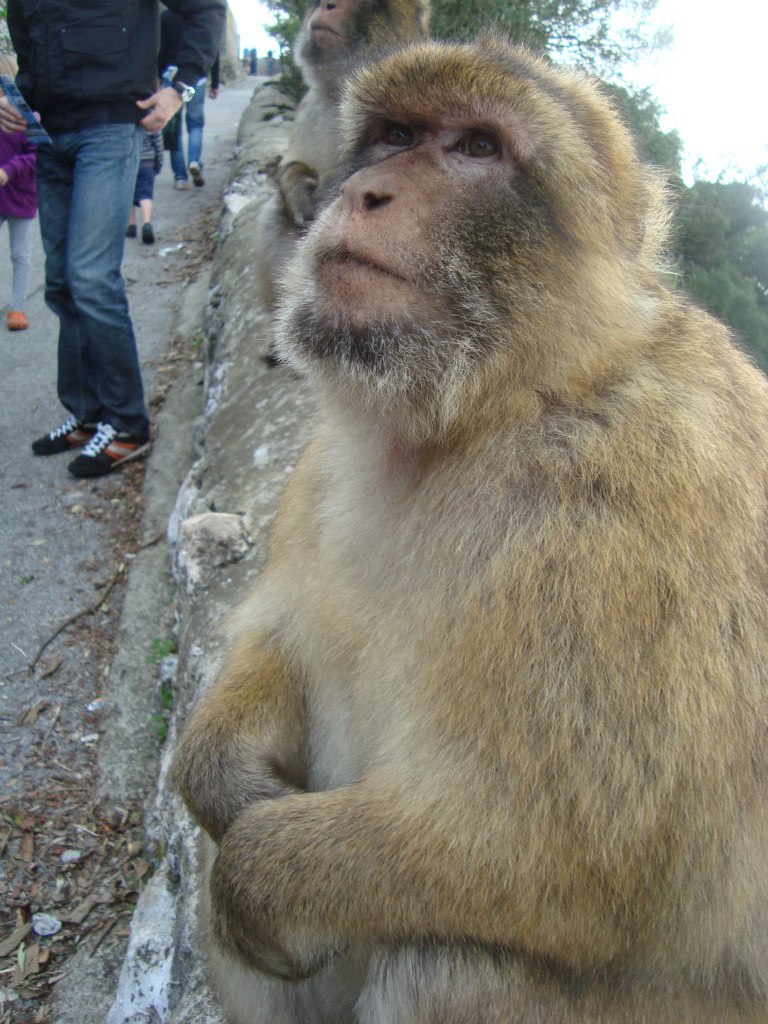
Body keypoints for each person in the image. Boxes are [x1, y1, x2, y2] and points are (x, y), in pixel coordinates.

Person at [0, 0, 225, 479]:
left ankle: (127, 424)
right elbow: (21, 23)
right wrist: (15, 94)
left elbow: (206, 9)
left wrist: (178, 89)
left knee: (91, 277)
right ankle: (88, 413)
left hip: (109, 125)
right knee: (60, 281)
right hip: (47, 131)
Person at [159, 8, 220, 190]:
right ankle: (194, 161)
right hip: (196, 76)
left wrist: (157, 76)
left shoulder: (166, 16)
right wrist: (214, 82)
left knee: (174, 129)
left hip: (171, 75)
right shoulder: (201, 13)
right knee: (195, 124)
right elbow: (212, 50)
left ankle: (180, 177)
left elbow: (160, 50)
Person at [0, 54, 36, 333]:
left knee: (19, 254)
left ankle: (17, 307)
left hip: (21, 193)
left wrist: (9, 171)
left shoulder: (25, 112)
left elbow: (36, 154)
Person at [126, 128, 164, 245]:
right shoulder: (151, 118)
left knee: (129, 193)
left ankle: (131, 225)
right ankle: (146, 223)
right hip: (147, 161)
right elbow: (158, 144)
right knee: (145, 195)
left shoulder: (126, 119)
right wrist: (159, 163)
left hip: (128, 161)